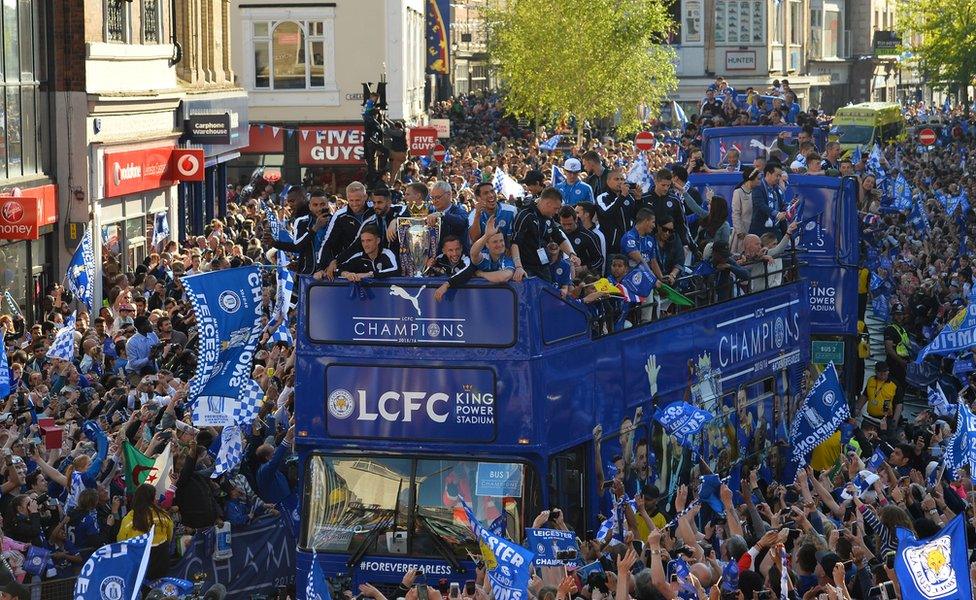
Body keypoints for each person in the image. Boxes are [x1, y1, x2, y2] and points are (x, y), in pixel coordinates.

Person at [511, 187, 579, 282]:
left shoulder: (549, 219)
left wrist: (572, 254)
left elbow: (559, 238)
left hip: (544, 266)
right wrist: (518, 267)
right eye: (555, 208)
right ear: (547, 203)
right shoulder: (526, 216)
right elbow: (515, 243)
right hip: (527, 267)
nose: (556, 212)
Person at [315, 181, 371, 280]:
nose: (354, 204)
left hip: (374, 262)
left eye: (358, 200)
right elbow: (328, 242)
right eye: (351, 200)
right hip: (350, 264)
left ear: (365, 197)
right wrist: (321, 267)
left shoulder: (374, 209)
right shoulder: (340, 215)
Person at [118, 483, 174, 579]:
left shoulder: (130, 519)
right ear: (152, 498)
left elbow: (121, 541)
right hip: (161, 559)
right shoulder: (164, 516)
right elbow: (169, 537)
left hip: (139, 560)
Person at [594, 169, 637, 254]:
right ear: (608, 182)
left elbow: (637, 216)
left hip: (629, 244)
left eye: (622, 179)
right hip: (612, 246)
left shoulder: (629, 197)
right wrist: (622, 197)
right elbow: (606, 213)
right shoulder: (602, 197)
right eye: (616, 179)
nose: (620, 182)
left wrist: (639, 199)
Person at [425, 236, 476, 301]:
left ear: (461, 248)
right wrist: (427, 267)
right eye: (450, 250)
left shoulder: (467, 260)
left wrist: (446, 284)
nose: (454, 253)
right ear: (444, 251)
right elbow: (426, 276)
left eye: (457, 249)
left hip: (465, 300)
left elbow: (466, 273)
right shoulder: (438, 260)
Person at [558, 206, 604, 275]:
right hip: (561, 273)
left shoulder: (587, 236)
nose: (567, 227)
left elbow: (599, 259)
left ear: (576, 219)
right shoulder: (557, 233)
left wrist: (583, 268)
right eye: (564, 224)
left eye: (570, 224)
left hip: (582, 277)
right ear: (560, 221)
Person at [469, 218, 516, 284]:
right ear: (487, 245)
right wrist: (486, 236)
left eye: (501, 240)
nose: (499, 244)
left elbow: (503, 277)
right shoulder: (484, 255)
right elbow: (473, 254)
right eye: (495, 242)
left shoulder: (507, 259)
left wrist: (482, 274)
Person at [731, 167, 759, 254]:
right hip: (743, 232)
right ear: (751, 179)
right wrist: (739, 231)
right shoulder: (738, 192)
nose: (759, 181)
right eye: (758, 179)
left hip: (755, 229)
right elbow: (736, 213)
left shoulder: (757, 192)